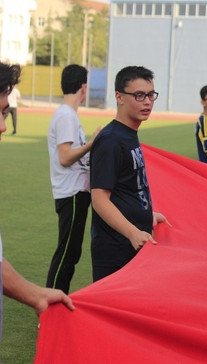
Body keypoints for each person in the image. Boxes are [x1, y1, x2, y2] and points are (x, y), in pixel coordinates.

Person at [0, 62, 75, 344]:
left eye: (5, 113)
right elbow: (66, 157)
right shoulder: (66, 116)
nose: (3, 127)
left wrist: (36, 296)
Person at [89, 66, 170, 282]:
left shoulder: (128, 134)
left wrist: (147, 217)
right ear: (119, 97)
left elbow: (128, 188)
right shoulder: (111, 140)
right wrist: (132, 232)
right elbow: (99, 199)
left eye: (151, 95)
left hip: (136, 242)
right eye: (139, 95)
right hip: (116, 249)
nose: (147, 102)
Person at [46, 64, 101, 293]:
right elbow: (65, 156)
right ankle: (51, 306)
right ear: (83, 87)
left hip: (74, 193)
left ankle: (54, 302)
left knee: (70, 252)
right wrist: (92, 143)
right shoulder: (66, 116)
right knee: (67, 253)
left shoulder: (67, 115)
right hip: (72, 193)